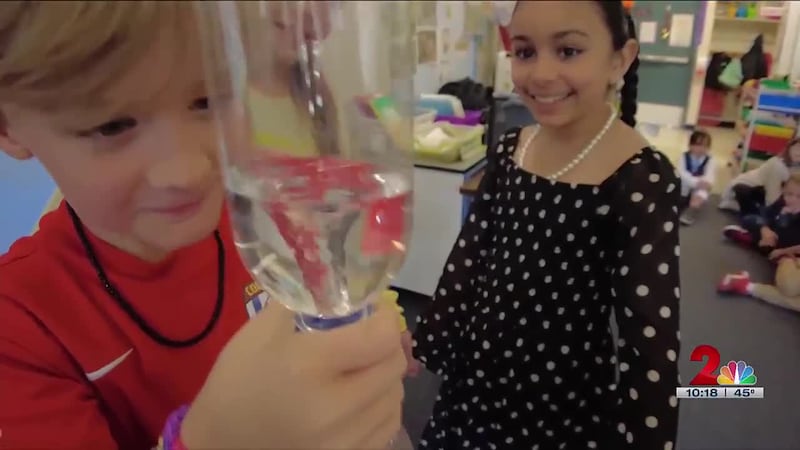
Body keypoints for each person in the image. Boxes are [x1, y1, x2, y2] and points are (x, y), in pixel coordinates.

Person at [0, 2, 410, 449]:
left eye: (207, 100)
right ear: (8, 126)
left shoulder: (264, 222)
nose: (187, 171)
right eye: (112, 126)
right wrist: (213, 440)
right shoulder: (19, 328)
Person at [412, 1, 680, 449]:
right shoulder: (513, 146)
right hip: (478, 376)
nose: (540, 74)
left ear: (621, 58)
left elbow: (649, 340)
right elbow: (470, 258)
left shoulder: (639, 176)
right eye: (525, 52)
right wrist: (429, 342)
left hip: (561, 399)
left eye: (569, 51)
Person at [723, 172, 800, 255]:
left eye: (799, 197)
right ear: (783, 191)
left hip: (787, 245)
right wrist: (764, 229)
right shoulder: (782, 201)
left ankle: (751, 239)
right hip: (771, 234)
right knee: (750, 218)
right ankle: (760, 241)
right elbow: (766, 214)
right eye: (789, 194)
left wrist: (785, 216)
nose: (793, 199)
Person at [718, 137, 800, 215]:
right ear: (789, 148)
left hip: (765, 192)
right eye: (797, 148)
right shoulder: (777, 165)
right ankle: (736, 205)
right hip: (747, 188)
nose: (798, 152)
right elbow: (772, 194)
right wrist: (775, 212)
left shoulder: (796, 167)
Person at [678, 129, 715, 225]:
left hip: (701, 186)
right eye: (698, 145)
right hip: (685, 185)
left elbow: (710, 174)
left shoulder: (710, 159)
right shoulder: (684, 157)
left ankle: (691, 211)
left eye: (705, 146)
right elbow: (682, 173)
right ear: (690, 145)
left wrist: (705, 183)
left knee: (700, 195)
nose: (702, 148)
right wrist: (696, 182)